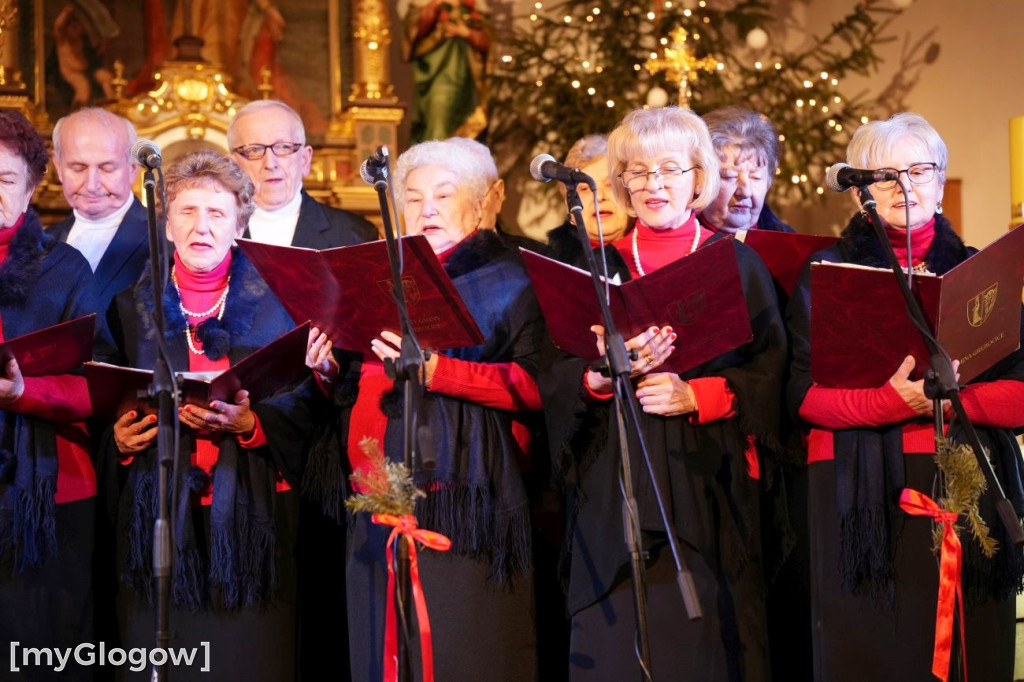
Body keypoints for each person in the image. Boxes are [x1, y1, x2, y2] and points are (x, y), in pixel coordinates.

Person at [272, 138, 547, 681]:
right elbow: (356, 384)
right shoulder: (377, 275)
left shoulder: (514, 277)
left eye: (444, 195)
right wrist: (328, 371)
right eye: (414, 197)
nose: (427, 209)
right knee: (381, 651)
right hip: (374, 495)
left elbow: (537, 386)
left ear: (480, 204)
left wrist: (441, 372)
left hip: (465, 498)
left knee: (463, 649)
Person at [541, 106, 787, 681]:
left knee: (699, 650)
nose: (654, 185)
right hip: (611, 495)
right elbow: (552, 375)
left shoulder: (737, 263)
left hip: (705, 490)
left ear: (697, 178)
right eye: (638, 171)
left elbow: (772, 372)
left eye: (670, 170)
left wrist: (698, 395)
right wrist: (594, 378)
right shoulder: (595, 268)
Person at [786, 112, 1024, 681]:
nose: (904, 185)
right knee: (876, 649)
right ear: (859, 192)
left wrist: (951, 398)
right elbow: (799, 395)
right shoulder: (825, 274)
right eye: (884, 175)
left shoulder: (982, 274)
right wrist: (888, 405)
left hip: (967, 480)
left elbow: (1020, 398)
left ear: (941, 184)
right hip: (862, 496)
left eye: (920, 170)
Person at [104, 151, 307, 681]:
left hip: (252, 516)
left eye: (217, 213)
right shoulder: (128, 307)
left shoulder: (280, 303)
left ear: (240, 224)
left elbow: (308, 401)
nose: (201, 226)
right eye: (188, 211)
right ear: (166, 223)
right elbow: (106, 401)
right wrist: (120, 442)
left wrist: (254, 424)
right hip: (160, 511)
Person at [0, 110, 104, 678]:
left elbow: (95, 388)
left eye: (3, 179)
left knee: (45, 654)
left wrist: (23, 392)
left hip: (49, 494)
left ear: (32, 187)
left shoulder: (63, 268)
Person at [227, 99, 378, 248]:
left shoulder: (355, 236)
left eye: (284, 147)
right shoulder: (212, 234)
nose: (270, 164)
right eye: (254, 150)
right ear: (232, 166)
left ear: (305, 160)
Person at [49, 107, 150, 313]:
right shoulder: (40, 243)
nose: (92, 185)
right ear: (58, 167)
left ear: (132, 169)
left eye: (106, 168)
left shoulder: (163, 243)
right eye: (78, 168)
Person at [400, 0, 493, 142]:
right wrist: (436, 5)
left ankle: (464, 162)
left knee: (469, 123)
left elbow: (488, 41)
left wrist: (467, 33)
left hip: (468, 80)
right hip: (436, 73)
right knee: (439, 118)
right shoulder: (425, 4)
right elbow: (414, 31)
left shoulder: (473, 7)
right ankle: (436, 162)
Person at [545, 134, 633, 271]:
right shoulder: (552, 268)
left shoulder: (655, 253)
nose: (599, 197)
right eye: (585, 188)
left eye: (610, 185)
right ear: (570, 208)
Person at [700, 106, 794, 234]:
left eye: (756, 178)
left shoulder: (791, 246)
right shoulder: (679, 247)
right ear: (699, 181)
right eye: (730, 176)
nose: (745, 192)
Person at [448, 136, 548, 253]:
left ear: (497, 195)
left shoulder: (535, 261)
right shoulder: (423, 262)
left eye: (475, 200)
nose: (462, 213)